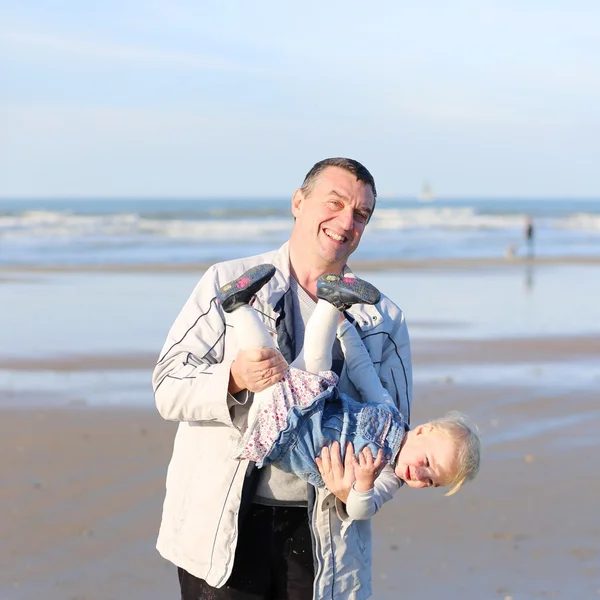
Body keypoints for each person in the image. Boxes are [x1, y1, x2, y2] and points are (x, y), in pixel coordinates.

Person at [153, 157, 413, 600]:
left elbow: (396, 432)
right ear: (298, 201)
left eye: (361, 214)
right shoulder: (226, 281)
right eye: (335, 203)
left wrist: (359, 487)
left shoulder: (381, 317)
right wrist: (232, 378)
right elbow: (169, 387)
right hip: (222, 529)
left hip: (322, 537)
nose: (346, 221)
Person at [220, 264, 480, 506]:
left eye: (431, 482)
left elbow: (362, 509)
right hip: (308, 400)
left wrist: (362, 488)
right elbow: (363, 372)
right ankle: (309, 303)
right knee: (311, 358)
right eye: (426, 463)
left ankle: (243, 307)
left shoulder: (387, 479)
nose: (420, 477)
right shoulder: (390, 413)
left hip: (282, 435)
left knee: (266, 363)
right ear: (423, 431)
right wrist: (345, 330)